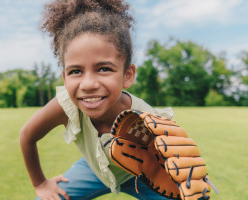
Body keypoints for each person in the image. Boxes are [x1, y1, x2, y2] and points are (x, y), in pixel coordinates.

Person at [20, 0, 174, 199]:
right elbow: (27, 136)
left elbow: (175, 157)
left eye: (104, 69)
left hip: (141, 172)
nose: (88, 84)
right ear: (65, 77)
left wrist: (184, 175)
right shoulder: (65, 106)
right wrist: (40, 183)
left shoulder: (147, 118)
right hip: (95, 168)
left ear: (127, 75)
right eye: (76, 71)